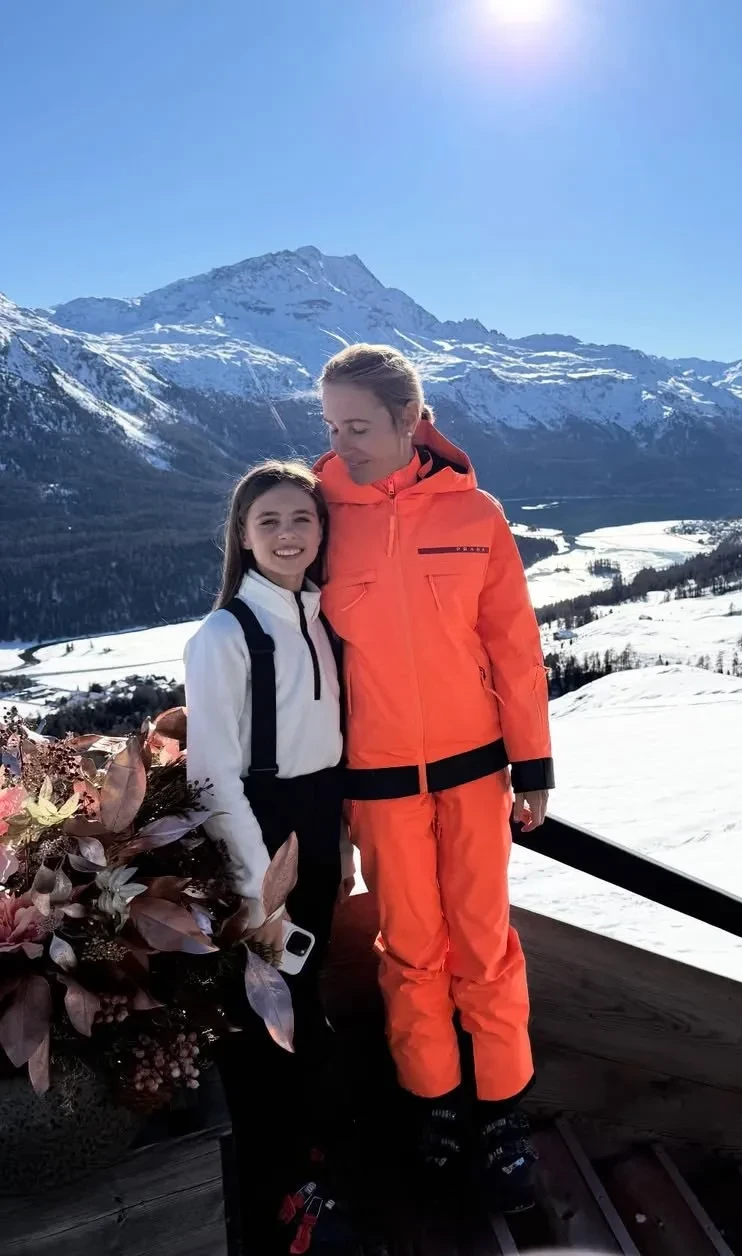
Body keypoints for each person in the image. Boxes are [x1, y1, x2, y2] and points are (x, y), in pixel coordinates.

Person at [315, 343, 553, 1212]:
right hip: (376, 779)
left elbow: (513, 645)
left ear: (410, 422)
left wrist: (533, 764)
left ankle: (502, 1113)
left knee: (484, 944)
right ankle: (435, 1103)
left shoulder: (476, 513)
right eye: (331, 425)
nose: (341, 443)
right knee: (409, 949)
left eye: (358, 426)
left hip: (474, 769)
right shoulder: (319, 515)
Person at [184, 460, 352, 1250]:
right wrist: (260, 891)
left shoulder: (318, 618)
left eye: (302, 519)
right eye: (269, 522)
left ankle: (309, 1165)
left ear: (321, 531)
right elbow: (211, 775)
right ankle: (278, 1197)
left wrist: (338, 844)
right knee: (265, 1020)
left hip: (314, 828)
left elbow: (328, 750)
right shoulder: (227, 634)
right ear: (243, 538)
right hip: (263, 836)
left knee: (303, 999)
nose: (288, 535)